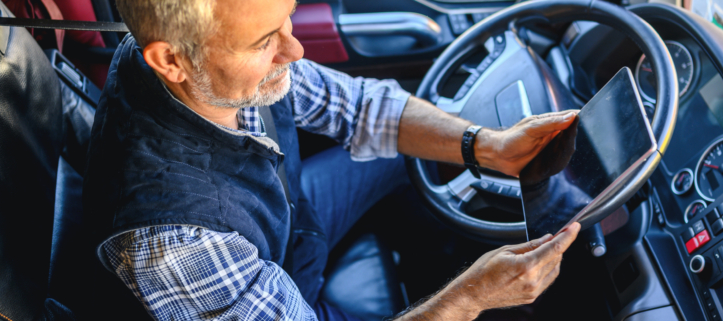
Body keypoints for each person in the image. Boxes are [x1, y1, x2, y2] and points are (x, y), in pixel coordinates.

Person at [81, 0, 581, 320]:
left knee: (411, 156)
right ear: (171, 61)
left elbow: (361, 108)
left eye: (286, 19)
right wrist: (470, 298)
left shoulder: (208, 68)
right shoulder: (174, 246)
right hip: (271, 284)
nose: (295, 50)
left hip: (285, 225)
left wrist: (486, 145)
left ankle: (576, 227)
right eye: (264, 42)